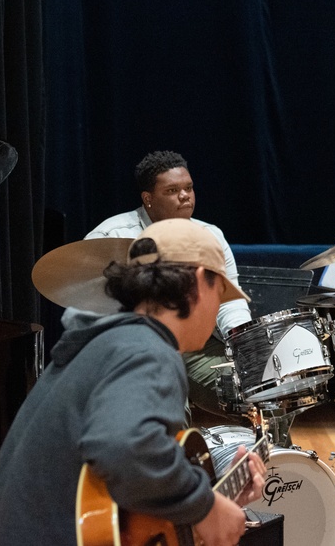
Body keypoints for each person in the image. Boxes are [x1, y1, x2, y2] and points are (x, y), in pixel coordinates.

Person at [0, 219, 266, 546]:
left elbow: (122, 499)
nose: (218, 308)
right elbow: (124, 446)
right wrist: (204, 506)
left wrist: (212, 496)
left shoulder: (109, 343)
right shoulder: (147, 351)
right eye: (221, 292)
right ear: (200, 282)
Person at [86, 150, 252, 416]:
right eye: (173, 190)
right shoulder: (111, 237)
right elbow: (92, 307)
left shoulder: (210, 236)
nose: (185, 195)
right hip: (137, 347)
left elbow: (229, 301)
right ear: (148, 199)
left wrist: (245, 345)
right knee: (167, 400)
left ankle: (276, 458)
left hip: (196, 342)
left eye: (188, 188)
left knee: (258, 391)